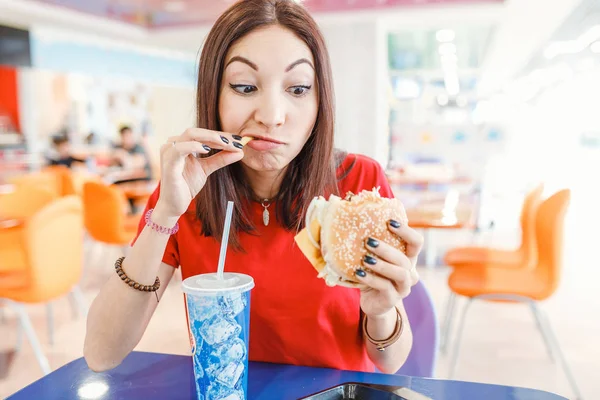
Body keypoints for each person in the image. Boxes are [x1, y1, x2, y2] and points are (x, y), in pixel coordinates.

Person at [84, 0, 423, 375]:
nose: (271, 116)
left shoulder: (358, 181)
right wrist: (165, 214)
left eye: (297, 89)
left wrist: (381, 310)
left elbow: (390, 361)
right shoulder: (187, 191)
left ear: (319, 101)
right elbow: (102, 353)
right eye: (245, 87)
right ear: (213, 94)